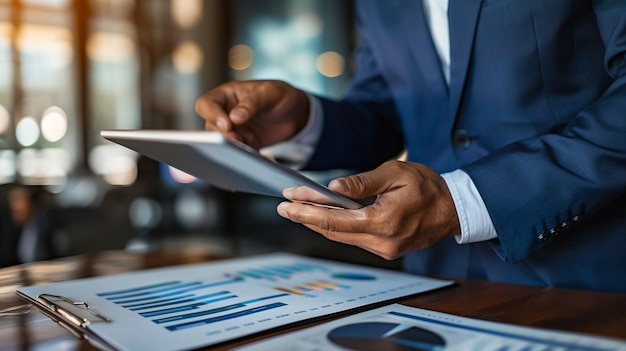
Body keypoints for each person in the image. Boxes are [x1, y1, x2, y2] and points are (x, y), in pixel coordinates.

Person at [195, 0, 626, 293]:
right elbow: (389, 112)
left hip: (591, 284)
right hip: (434, 282)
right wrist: (302, 121)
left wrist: (467, 201)